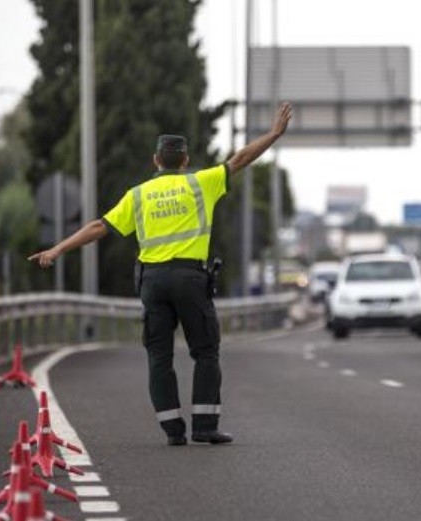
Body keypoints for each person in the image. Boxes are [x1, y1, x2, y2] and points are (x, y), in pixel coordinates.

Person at [28, 102, 293, 446]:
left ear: (156, 161)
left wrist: (57, 249)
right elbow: (240, 159)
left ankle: (173, 430)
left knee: (159, 356)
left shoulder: (138, 195)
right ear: (184, 161)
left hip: (152, 282)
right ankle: (204, 426)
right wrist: (273, 134)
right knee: (205, 351)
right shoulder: (201, 183)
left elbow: (98, 226)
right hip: (190, 280)